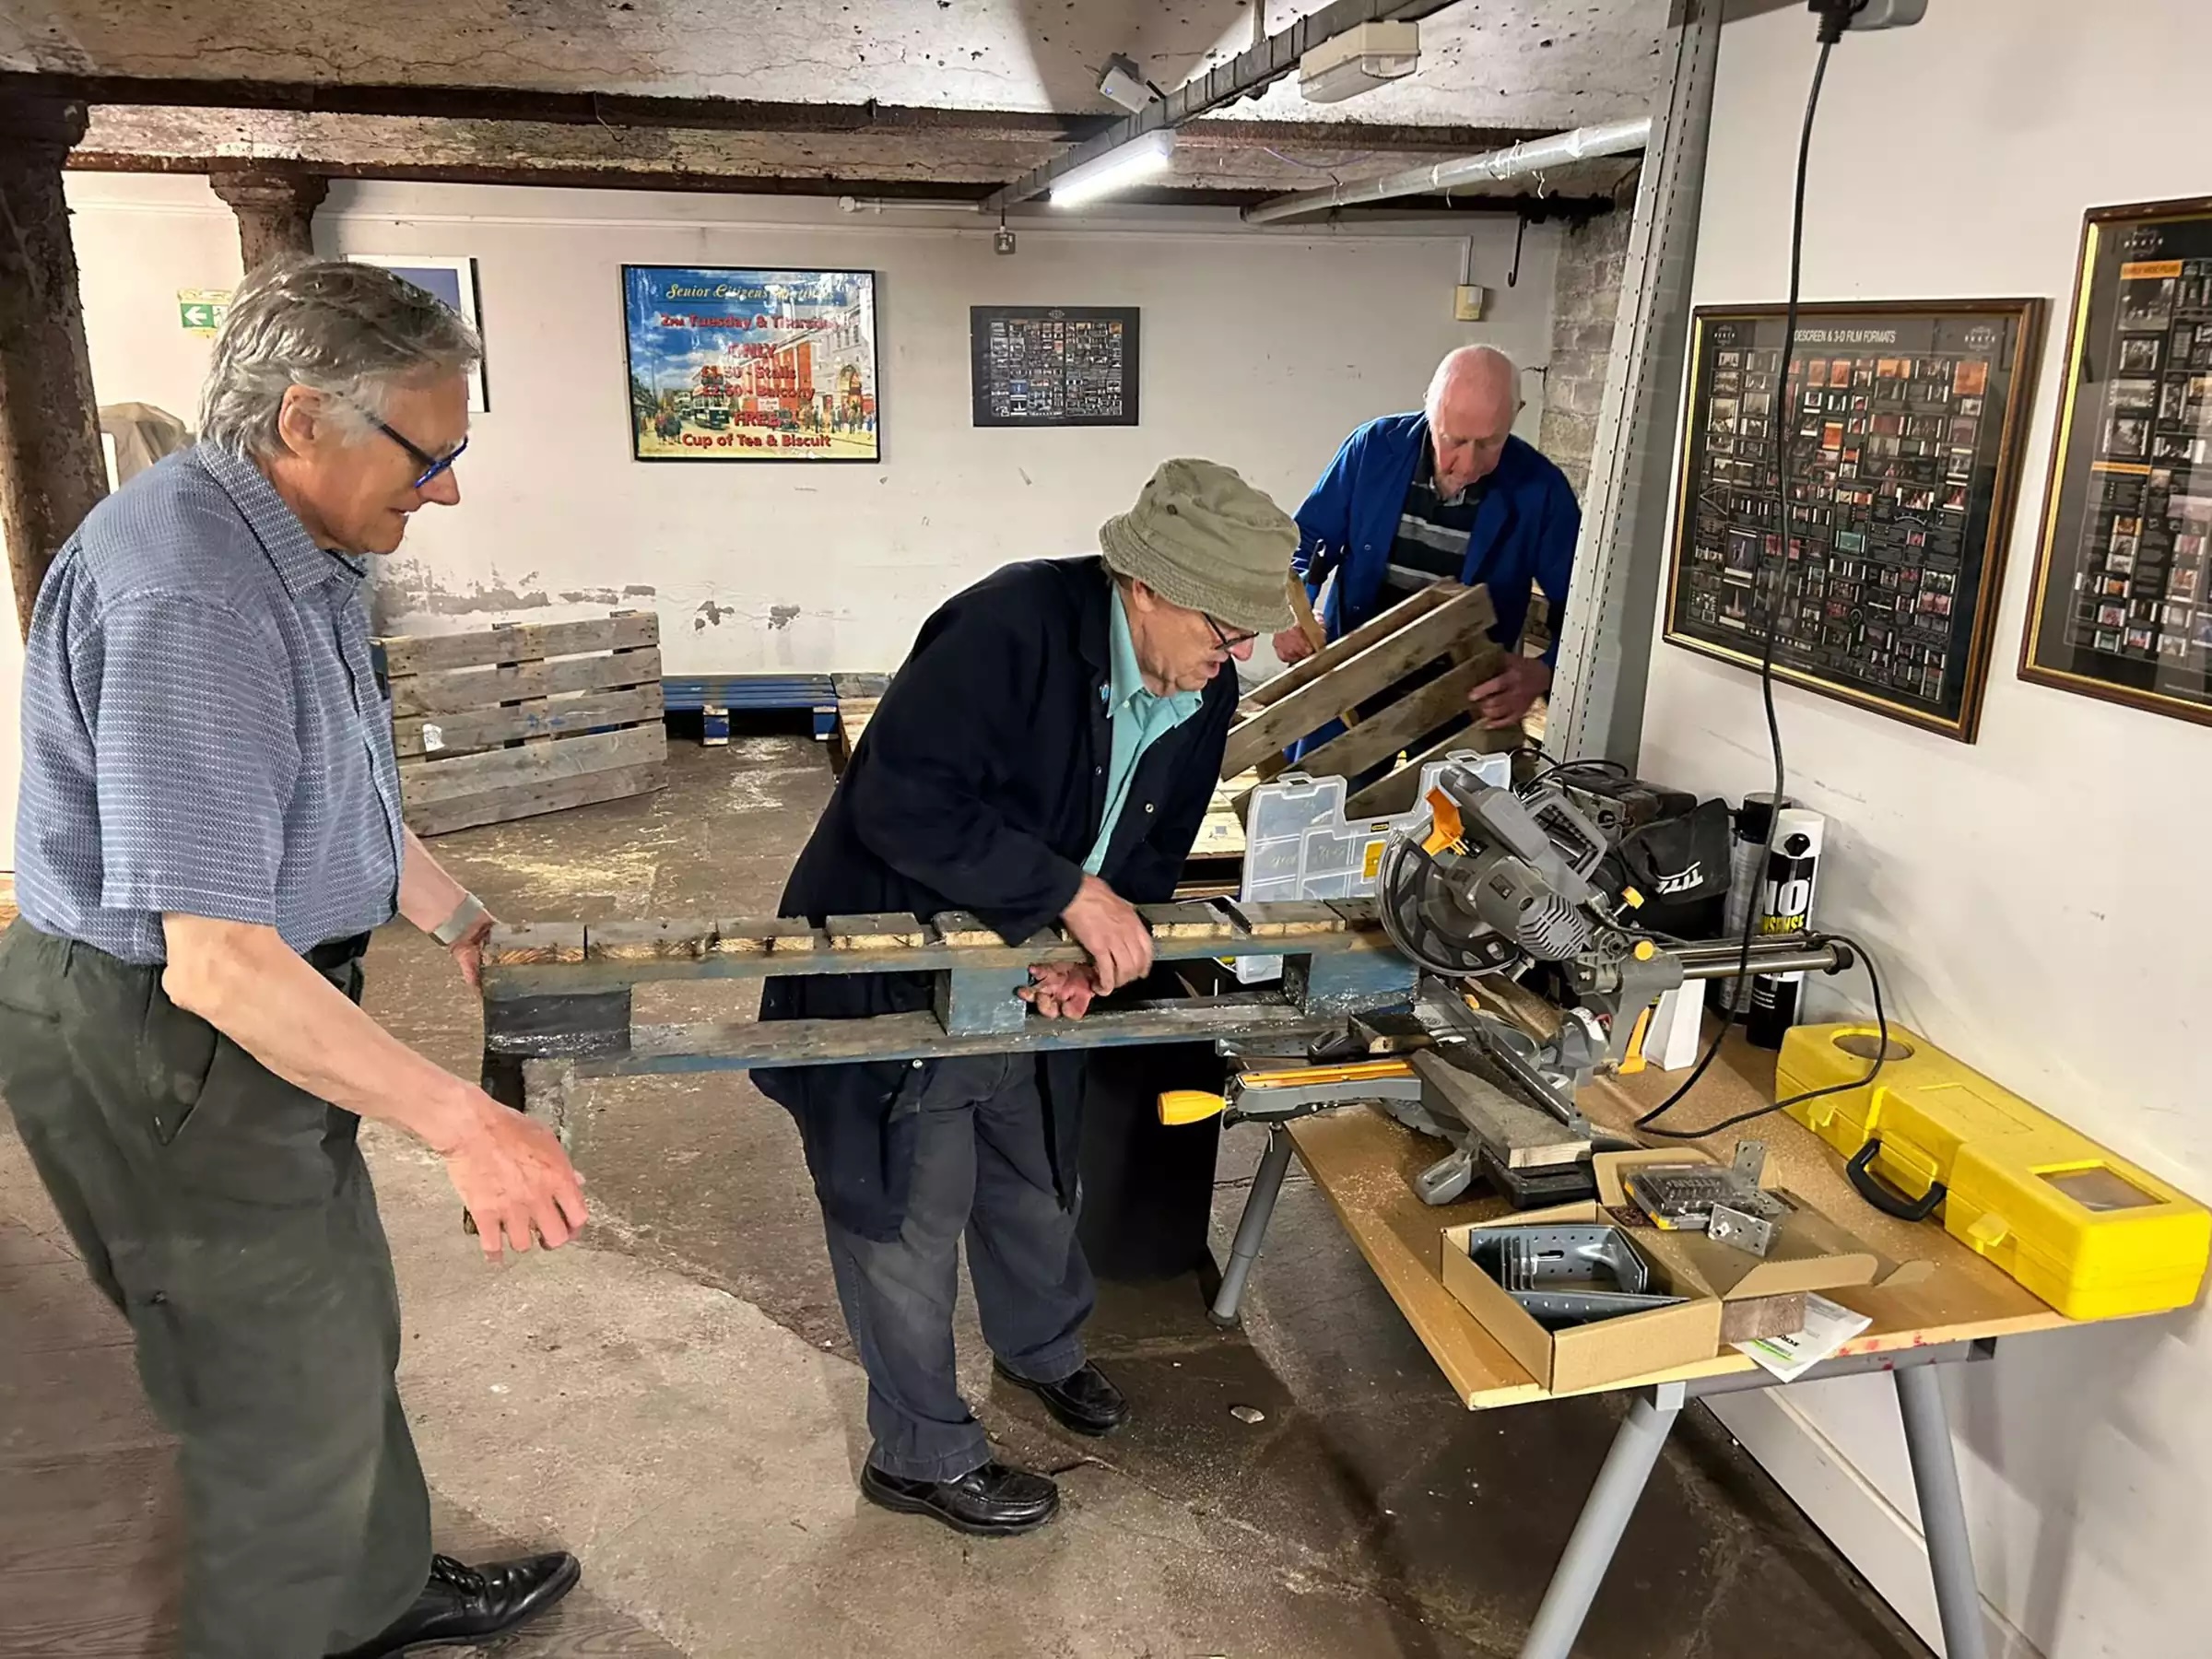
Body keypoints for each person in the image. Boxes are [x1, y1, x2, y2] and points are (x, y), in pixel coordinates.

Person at [0, 258, 588, 1659]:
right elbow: (213, 962)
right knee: (273, 1393)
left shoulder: (296, 545)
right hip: (166, 1038)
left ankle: (368, 1594)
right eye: (429, 454)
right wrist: (468, 1124)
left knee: (334, 1334)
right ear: (306, 416)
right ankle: (290, 1618)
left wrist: (451, 910)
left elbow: (323, 791)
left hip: (258, 1018)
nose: (445, 490)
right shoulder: (193, 599)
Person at [756, 458, 1298, 1538]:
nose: (1227, 659)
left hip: (1023, 972)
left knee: (1031, 1182)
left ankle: (1042, 1351)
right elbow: (898, 799)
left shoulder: (1204, 689)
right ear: (1143, 584)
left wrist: (1095, 951)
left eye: (1243, 639)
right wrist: (1065, 893)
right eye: (1219, 631)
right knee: (907, 1209)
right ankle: (918, 1454)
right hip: (896, 967)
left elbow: (1154, 842)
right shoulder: (1009, 629)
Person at [1276, 345, 1582, 734]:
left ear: (1516, 413)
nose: (1468, 465)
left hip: (1466, 697)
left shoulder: (1542, 490)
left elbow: (1582, 609)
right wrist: (1290, 613)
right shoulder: (1371, 449)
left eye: (1489, 443)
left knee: (1458, 797)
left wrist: (1544, 670)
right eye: (1453, 440)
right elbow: (1303, 543)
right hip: (1350, 678)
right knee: (1326, 790)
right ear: (1428, 407)